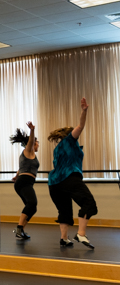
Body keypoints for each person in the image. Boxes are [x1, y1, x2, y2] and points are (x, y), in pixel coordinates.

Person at [47, 97, 97, 249]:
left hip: (54, 183)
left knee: (64, 210)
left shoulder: (58, 148)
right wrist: (84, 111)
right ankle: (81, 234)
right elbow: (81, 126)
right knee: (89, 204)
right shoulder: (70, 141)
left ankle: (64, 239)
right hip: (69, 178)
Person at [10, 122, 39, 240]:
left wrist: (16, 176)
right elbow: (31, 142)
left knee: (32, 207)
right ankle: (19, 228)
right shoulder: (29, 151)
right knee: (32, 203)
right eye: (37, 143)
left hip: (23, 181)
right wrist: (32, 131)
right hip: (25, 182)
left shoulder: (28, 156)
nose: (38, 145)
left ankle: (20, 230)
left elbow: (21, 168)